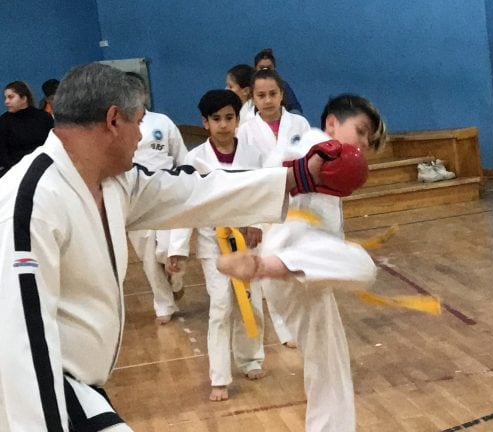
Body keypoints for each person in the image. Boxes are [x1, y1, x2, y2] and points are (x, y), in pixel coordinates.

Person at [0, 63, 355, 431]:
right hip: (32, 398)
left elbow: (193, 190)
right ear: (112, 121)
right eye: (138, 123)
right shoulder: (32, 203)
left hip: (77, 388)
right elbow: (21, 345)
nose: (141, 136)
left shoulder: (112, 182)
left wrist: (297, 177)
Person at [217, 94, 386, 432]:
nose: (365, 142)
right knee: (363, 266)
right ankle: (264, 265)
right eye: (362, 130)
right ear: (332, 123)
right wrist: (305, 168)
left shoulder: (326, 157)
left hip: (307, 274)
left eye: (370, 138)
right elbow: (279, 167)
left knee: (330, 368)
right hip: (289, 262)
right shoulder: (313, 144)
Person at [167, 89, 274, 402]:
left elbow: (264, 194)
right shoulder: (194, 159)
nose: (224, 125)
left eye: (229, 118)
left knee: (252, 304)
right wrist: (177, 247)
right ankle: (219, 378)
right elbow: (185, 204)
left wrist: (257, 224)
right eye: (217, 119)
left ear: (238, 119)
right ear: (205, 122)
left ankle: (251, 358)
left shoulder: (253, 155)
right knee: (221, 307)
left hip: (247, 240)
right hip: (212, 242)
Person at [237, 68, 311, 348]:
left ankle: (301, 321)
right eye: (261, 95)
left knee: (297, 268)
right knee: (270, 272)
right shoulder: (245, 131)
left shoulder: (299, 125)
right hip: (264, 207)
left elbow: (309, 166)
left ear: (282, 94)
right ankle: (283, 327)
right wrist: (252, 221)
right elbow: (246, 177)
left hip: (298, 205)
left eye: (272, 94)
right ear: (252, 98)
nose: (267, 100)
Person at [124, 71, 188, 324]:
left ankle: (176, 275)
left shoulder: (162, 122)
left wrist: (185, 180)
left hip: (166, 192)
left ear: (144, 95)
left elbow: (181, 156)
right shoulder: (118, 125)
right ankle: (163, 303)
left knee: (165, 250)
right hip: (134, 198)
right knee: (148, 257)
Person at [0, 81, 54, 177]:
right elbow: (2, 153)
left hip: (44, 169)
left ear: (24, 98)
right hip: (14, 172)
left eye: (11, 97)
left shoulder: (44, 117)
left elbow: (53, 145)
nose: (6, 101)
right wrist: (17, 170)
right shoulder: (3, 121)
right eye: (5, 98)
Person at [254, 48, 303, 114]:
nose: (265, 70)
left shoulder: (283, 85)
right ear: (255, 68)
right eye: (262, 68)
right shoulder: (249, 87)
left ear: (274, 68)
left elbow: (295, 109)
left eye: (269, 68)